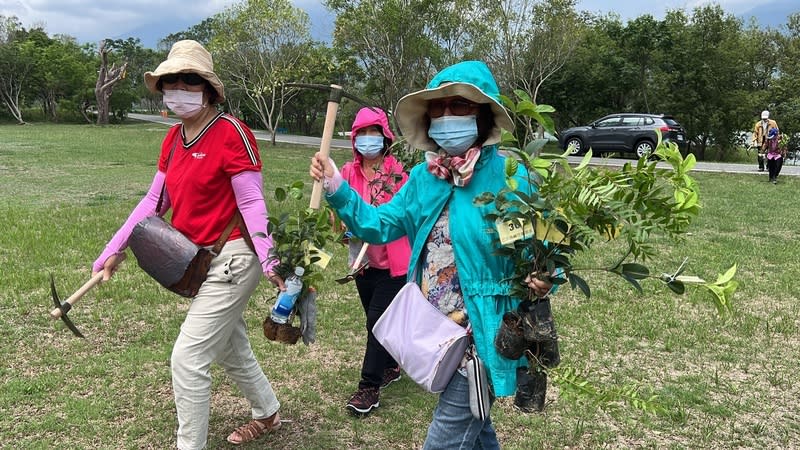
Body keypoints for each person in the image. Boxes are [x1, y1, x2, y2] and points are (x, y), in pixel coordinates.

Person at [310, 60, 555, 449]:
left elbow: (543, 244)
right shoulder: (424, 178)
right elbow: (378, 225)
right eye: (437, 108)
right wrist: (336, 185)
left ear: (483, 115)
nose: (446, 116)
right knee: (476, 431)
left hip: (482, 333)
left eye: (459, 106)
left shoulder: (512, 177)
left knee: (446, 437)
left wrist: (545, 276)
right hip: (436, 330)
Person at [92, 40, 284, 449]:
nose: (178, 88)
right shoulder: (173, 138)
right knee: (229, 346)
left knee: (188, 358)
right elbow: (153, 203)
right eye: (170, 81)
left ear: (209, 89)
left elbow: (251, 201)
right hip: (196, 259)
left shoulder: (233, 133)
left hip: (233, 258)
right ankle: (267, 413)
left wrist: (270, 261)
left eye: (189, 80)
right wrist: (114, 248)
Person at [339, 107, 412, 415]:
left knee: (376, 323)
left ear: (385, 137)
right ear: (354, 138)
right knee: (375, 318)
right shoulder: (347, 173)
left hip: (395, 264)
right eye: (362, 133)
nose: (368, 139)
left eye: (374, 132)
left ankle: (368, 387)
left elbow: (406, 214)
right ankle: (392, 364)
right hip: (363, 262)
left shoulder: (399, 174)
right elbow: (339, 211)